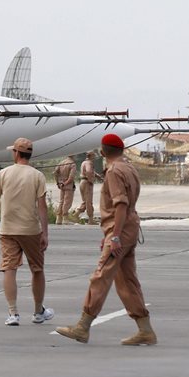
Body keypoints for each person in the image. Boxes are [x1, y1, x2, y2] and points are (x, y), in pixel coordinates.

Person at [56, 134, 157, 345]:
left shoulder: (114, 171)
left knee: (101, 276)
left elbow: (120, 204)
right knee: (126, 280)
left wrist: (115, 236)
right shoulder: (129, 168)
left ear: (103, 152)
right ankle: (145, 329)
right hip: (128, 227)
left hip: (120, 230)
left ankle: (83, 327)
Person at [0, 137, 52, 326]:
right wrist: (45, 233)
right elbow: (42, 207)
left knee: (9, 268)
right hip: (31, 229)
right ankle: (38, 310)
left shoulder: (4, 173)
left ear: (16, 153)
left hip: (8, 229)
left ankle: (13, 313)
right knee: (37, 269)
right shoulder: (37, 176)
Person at [76, 151, 102, 223]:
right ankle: (91, 219)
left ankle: (76, 214)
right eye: (94, 156)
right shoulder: (89, 163)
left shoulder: (84, 162)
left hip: (82, 182)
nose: (95, 157)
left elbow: (90, 171)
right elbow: (89, 171)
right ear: (91, 156)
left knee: (85, 202)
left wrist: (97, 176)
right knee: (89, 202)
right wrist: (91, 180)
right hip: (87, 182)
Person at [53, 157, 76, 224]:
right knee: (67, 201)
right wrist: (66, 183)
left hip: (61, 184)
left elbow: (55, 173)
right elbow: (71, 177)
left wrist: (58, 182)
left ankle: (58, 218)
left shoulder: (61, 162)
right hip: (68, 185)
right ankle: (65, 218)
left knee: (61, 201)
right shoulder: (72, 164)